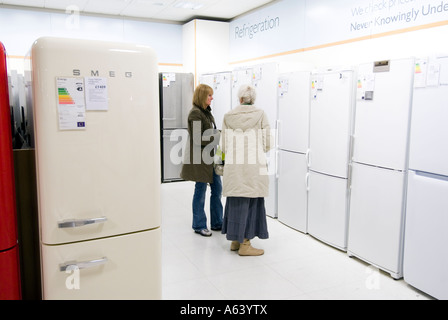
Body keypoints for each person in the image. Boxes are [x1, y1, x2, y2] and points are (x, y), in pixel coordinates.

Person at [221, 84, 273, 256]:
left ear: (240, 99)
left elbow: (223, 145)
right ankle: (246, 244)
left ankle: (236, 240)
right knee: (250, 202)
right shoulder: (260, 115)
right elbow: (267, 144)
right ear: (253, 99)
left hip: (234, 166)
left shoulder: (228, 116)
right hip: (253, 166)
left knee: (236, 200)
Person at [180, 84, 223, 237]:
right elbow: (198, 138)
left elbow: (209, 132)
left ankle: (218, 222)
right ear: (202, 96)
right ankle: (199, 225)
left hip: (210, 158)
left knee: (217, 190)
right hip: (200, 160)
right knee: (201, 191)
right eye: (209, 95)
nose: (212, 98)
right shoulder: (195, 113)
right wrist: (218, 135)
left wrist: (219, 133)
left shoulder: (206, 112)